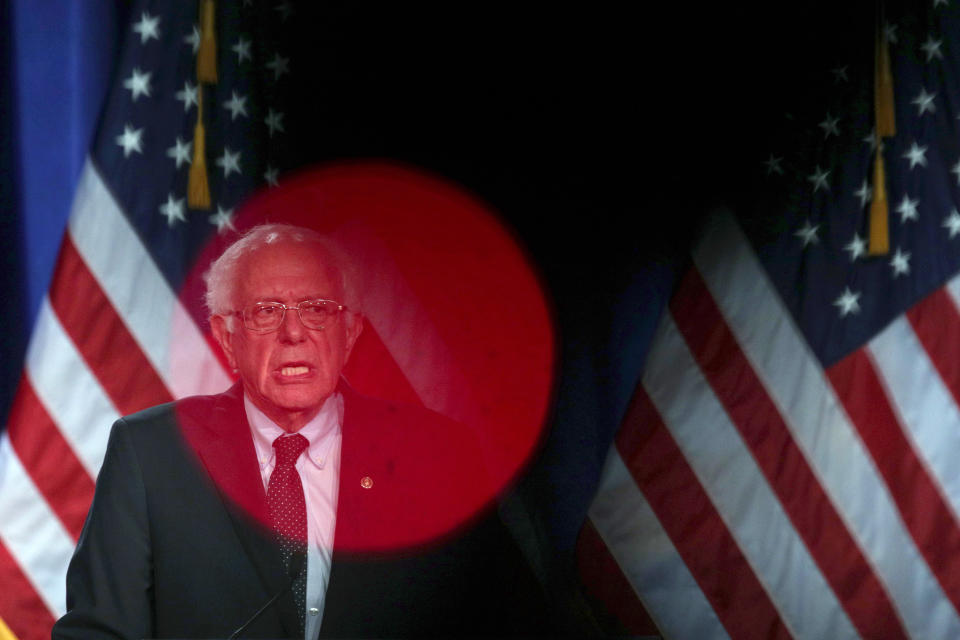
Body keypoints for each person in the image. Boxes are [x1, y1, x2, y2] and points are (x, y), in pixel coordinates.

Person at [52, 224, 549, 639]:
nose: (295, 333)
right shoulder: (153, 451)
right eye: (267, 312)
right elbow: (99, 632)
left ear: (349, 331)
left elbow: (507, 621)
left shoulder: (437, 455)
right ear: (227, 337)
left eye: (317, 308)